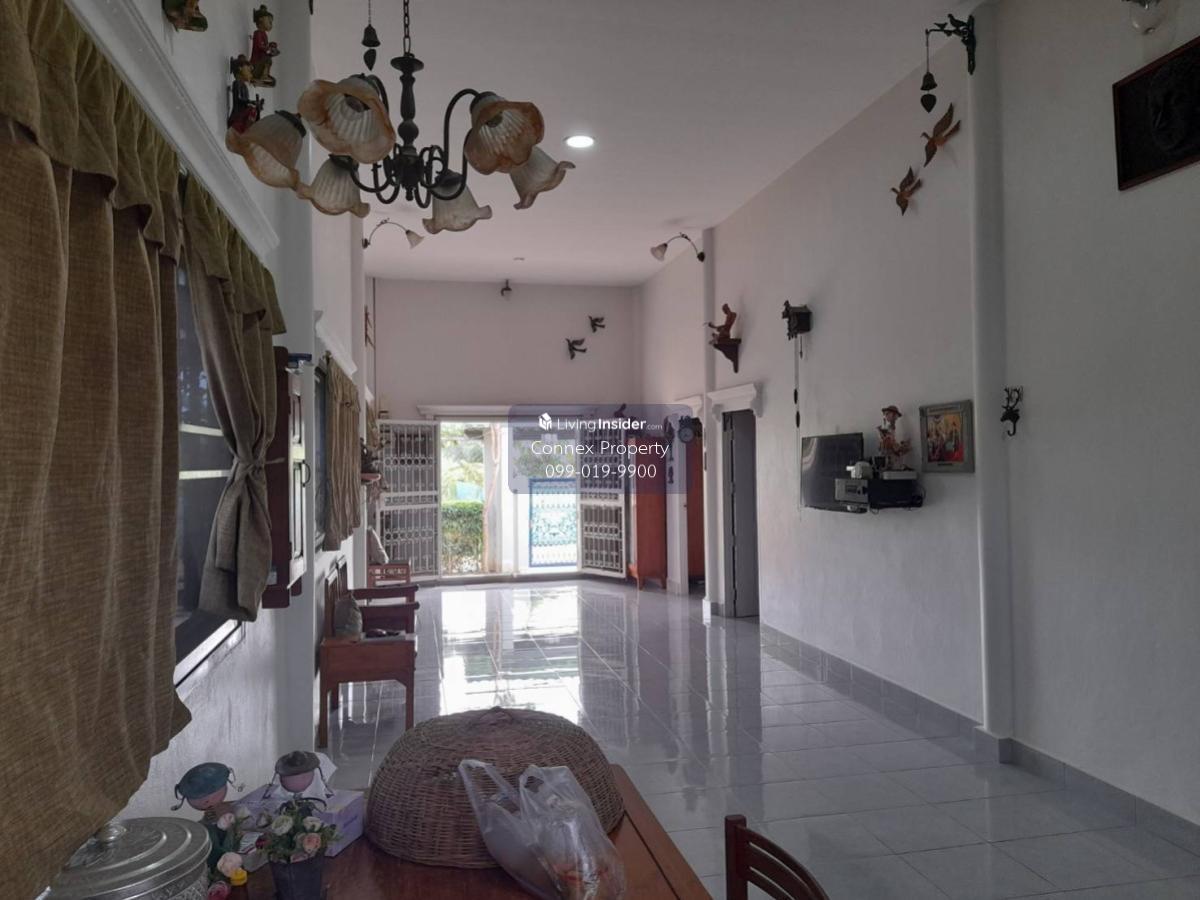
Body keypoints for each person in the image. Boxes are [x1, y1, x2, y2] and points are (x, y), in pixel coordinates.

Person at [250, 5, 279, 87]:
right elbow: (260, 46)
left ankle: (263, 76)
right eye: (269, 21)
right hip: (255, 63)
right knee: (267, 59)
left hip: (260, 61)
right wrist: (268, 49)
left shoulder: (264, 34)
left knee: (273, 82)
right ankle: (263, 75)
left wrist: (271, 47)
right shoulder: (258, 33)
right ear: (261, 19)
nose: (271, 24)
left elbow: (265, 47)